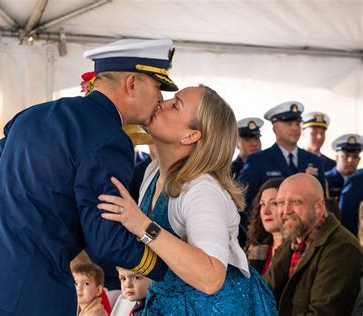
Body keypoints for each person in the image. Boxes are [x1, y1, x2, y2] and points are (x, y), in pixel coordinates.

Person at [0, 38, 177, 315]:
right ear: (131, 84)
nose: (161, 99)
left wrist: (10, 225)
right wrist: (170, 267)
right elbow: (105, 239)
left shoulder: (33, 115)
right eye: (158, 87)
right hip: (24, 287)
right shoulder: (110, 139)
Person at [98, 85, 277, 314]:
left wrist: (142, 225)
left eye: (175, 105)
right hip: (169, 302)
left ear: (191, 136)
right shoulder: (154, 172)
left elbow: (211, 278)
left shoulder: (202, 189)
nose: (162, 102)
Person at [266, 173, 361, 315]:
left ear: (319, 207)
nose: (285, 211)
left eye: (296, 202)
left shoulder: (341, 248)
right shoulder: (291, 244)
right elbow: (263, 296)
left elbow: (322, 313)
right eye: (280, 203)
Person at [238, 101, 326, 245]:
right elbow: (242, 200)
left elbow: (322, 200)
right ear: (275, 128)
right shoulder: (259, 160)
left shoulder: (313, 160)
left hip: (307, 238)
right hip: (268, 239)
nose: (295, 128)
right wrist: (258, 232)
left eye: (297, 124)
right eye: (289, 124)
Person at [245, 178, 284, 276]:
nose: (266, 211)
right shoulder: (254, 249)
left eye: (274, 203)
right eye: (262, 204)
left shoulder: (299, 249)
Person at [325, 134, 362, 200]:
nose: (350, 160)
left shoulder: (360, 180)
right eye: (346, 156)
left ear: (359, 159)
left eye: (355, 156)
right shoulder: (326, 180)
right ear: (337, 158)